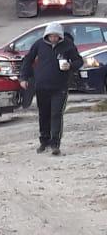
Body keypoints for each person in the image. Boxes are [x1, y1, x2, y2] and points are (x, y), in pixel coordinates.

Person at [20, 22, 83, 156]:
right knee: (44, 115)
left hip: (60, 87)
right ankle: (44, 141)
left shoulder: (67, 45)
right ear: (47, 35)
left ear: (60, 36)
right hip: (41, 86)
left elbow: (79, 61)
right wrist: (23, 78)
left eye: (56, 36)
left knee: (56, 114)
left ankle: (55, 144)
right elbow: (28, 60)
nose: (53, 38)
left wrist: (70, 66)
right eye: (51, 36)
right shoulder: (39, 44)